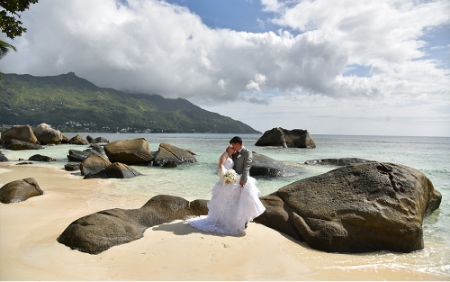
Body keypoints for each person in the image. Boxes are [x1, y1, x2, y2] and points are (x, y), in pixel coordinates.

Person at [189, 142, 265, 235]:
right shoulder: (225, 155)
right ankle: (223, 221)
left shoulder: (232, 156)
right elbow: (220, 165)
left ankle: (236, 221)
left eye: (234, 148)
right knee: (223, 202)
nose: (233, 149)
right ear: (228, 149)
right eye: (232, 148)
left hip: (231, 179)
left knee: (233, 201)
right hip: (225, 180)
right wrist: (224, 176)